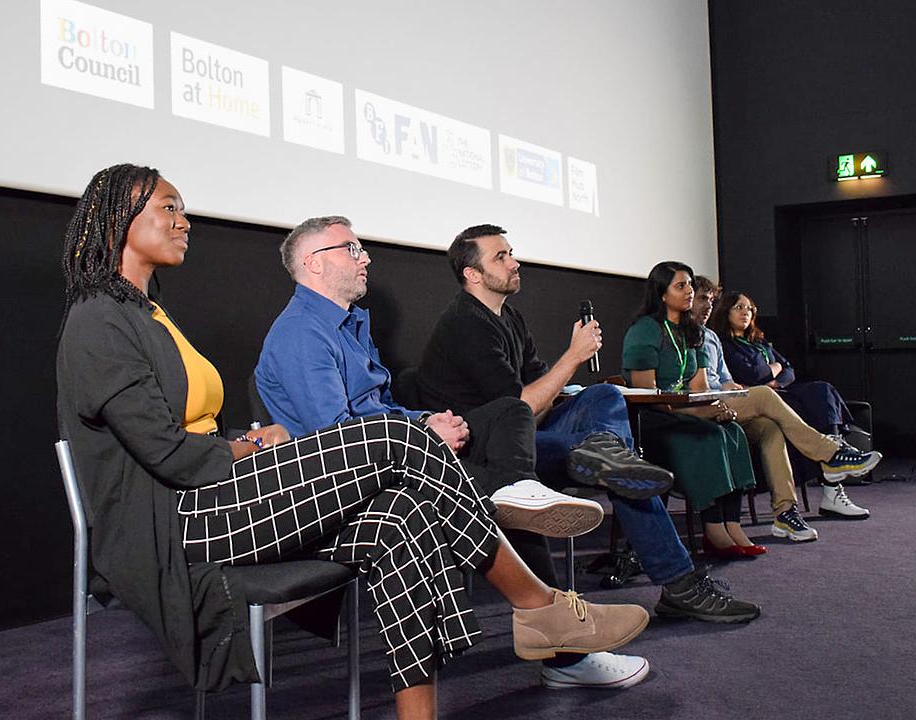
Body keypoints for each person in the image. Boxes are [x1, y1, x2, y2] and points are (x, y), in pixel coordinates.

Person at [55, 166, 648, 720]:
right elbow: (167, 454)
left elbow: (182, 431)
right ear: (117, 221)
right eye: (168, 207)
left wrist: (242, 441)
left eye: (184, 208)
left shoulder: (149, 313)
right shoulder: (98, 320)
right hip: (178, 521)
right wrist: (250, 448)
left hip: (215, 495)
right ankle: (539, 604)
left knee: (401, 517)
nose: (185, 219)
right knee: (395, 437)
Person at [256, 216, 650, 691]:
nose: (366, 257)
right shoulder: (302, 332)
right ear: (313, 264)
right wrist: (422, 432)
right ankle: (561, 641)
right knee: (493, 499)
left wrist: (425, 420)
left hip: (394, 453)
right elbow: (337, 435)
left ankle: (518, 499)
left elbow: (379, 409)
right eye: (352, 249)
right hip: (345, 485)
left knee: (508, 413)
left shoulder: (350, 325)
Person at [415, 225, 761, 629]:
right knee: (622, 473)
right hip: (491, 453)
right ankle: (679, 584)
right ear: (472, 274)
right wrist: (574, 356)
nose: (515, 262)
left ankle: (603, 451)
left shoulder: (509, 316)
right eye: (501, 257)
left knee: (607, 402)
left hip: (530, 431)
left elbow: (544, 389)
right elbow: (519, 407)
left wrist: (579, 396)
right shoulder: (465, 324)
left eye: (511, 253)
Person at [692, 277, 880, 536]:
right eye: (702, 299)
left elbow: (733, 377)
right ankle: (832, 454)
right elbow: (751, 374)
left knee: (778, 423)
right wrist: (764, 374)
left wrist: (733, 384)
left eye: (711, 300)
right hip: (706, 405)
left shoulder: (713, 337)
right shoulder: (703, 338)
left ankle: (785, 512)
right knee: (768, 397)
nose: (707, 306)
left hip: (735, 400)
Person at [622, 261, 768, 567]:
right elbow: (645, 394)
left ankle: (733, 524)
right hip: (654, 419)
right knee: (711, 435)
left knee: (733, 432)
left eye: (690, 285)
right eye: (681, 286)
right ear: (662, 294)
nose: (689, 291)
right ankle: (713, 529)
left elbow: (700, 385)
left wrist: (713, 408)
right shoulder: (645, 330)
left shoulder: (693, 331)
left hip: (687, 412)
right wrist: (701, 414)